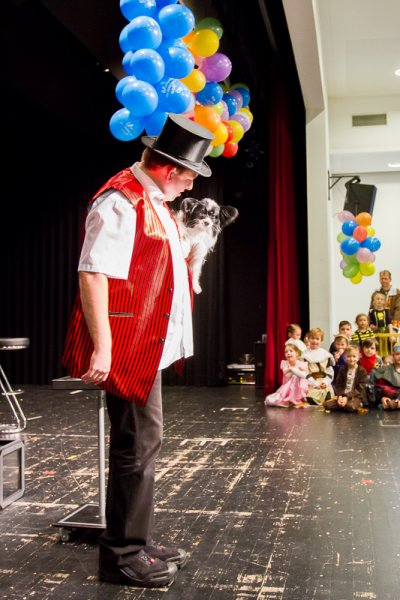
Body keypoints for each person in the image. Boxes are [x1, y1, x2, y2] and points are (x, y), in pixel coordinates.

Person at [62, 114, 214, 588]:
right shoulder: (119, 201)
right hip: (128, 348)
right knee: (137, 445)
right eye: (189, 176)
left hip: (149, 344)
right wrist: (103, 350)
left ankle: (137, 539)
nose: (191, 186)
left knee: (145, 443)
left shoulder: (155, 200)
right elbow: (93, 274)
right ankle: (122, 555)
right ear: (169, 169)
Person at [323, 345, 368, 413]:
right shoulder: (342, 369)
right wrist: (340, 396)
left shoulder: (362, 371)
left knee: (350, 407)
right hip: (342, 395)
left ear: (358, 357)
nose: (351, 359)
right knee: (327, 405)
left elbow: (360, 388)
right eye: (349, 356)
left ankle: (356, 404)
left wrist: (346, 397)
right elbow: (339, 385)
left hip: (355, 396)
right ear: (345, 357)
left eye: (354, 356)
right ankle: (342, 404)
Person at [264, 340, 309, 407]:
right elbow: (287, 375)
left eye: (291, 351)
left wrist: (299, 370)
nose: (288, 353)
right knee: (277, 399)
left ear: (296, 353)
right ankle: (290, 399)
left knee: (297, 378)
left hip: (299, 385)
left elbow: (305, 375)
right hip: (287, 385)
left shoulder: (301, 363)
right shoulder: (285, 363)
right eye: (286, 352)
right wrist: (291, 369)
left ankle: (297, 398)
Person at [303, 328, 335, 405]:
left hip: (324, 383)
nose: (315, 341)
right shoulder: (304, 355)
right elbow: (304, 373)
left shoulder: (326, 355)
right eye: (312, 338)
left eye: (317, 339)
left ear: (321, 340)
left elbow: (330, 371)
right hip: (311, 382)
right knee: (311, 399)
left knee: (328, 399)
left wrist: (325, 382)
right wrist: (314, 383)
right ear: (308, 339)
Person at [369, 345, 400, 410]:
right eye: (397, 354)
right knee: (386, 389)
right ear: (393, 355)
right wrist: (382, 398)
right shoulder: (385, 370)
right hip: (390, 396)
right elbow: (379, 387)